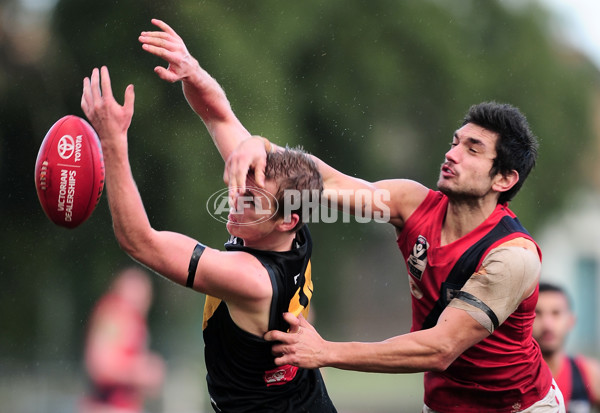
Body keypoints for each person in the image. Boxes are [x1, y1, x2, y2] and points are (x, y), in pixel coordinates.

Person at [222, 102, 565, 412]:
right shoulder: (412, 202)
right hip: (444, 405)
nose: (452, 154)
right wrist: (265, 147)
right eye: (455, 142)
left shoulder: (512, 256)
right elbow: (328, 182)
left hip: (519, 408)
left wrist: (326, 351)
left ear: (504, 179)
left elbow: (440, 348)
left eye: (472, 150)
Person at [79, 19, 336, 413]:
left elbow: (140, 242)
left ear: (287, 221)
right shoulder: (288, 218)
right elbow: (218, 115)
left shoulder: (252, 279)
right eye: (243, 183)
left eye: (251, 200)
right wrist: (192, 69)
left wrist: (112, 141)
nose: (236, 199)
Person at [80, 267, 165, 413]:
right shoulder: (113, 315)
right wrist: (140, 371)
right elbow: (99, 365)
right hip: (106, 406)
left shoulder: (134, 322)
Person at [533, 282, 600, 412]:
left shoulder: (589, 373)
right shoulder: (512, 376)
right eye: (538, 313)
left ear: (570, 320)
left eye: (556, 313)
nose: (547, 324)